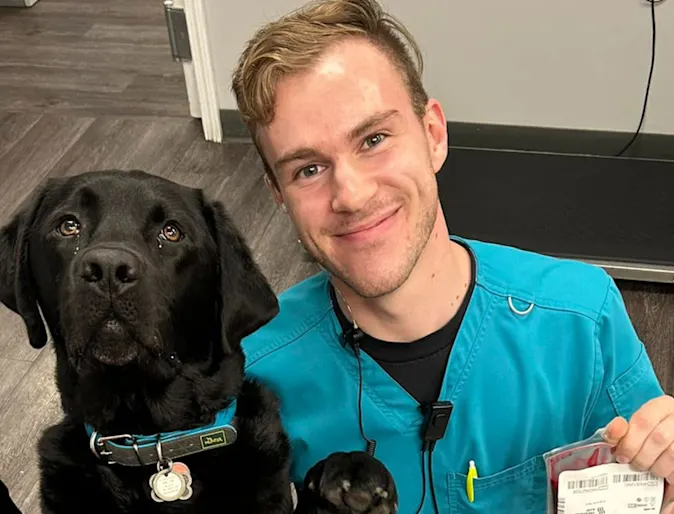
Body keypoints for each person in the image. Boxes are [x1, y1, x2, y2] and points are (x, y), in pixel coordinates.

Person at [232, 0, 674, 512]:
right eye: (307, 169)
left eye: (374, 139)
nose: (350, 194)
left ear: (434, 135)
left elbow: (650, 482)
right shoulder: (255, 369)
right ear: (277, 193)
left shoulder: (580, 322)